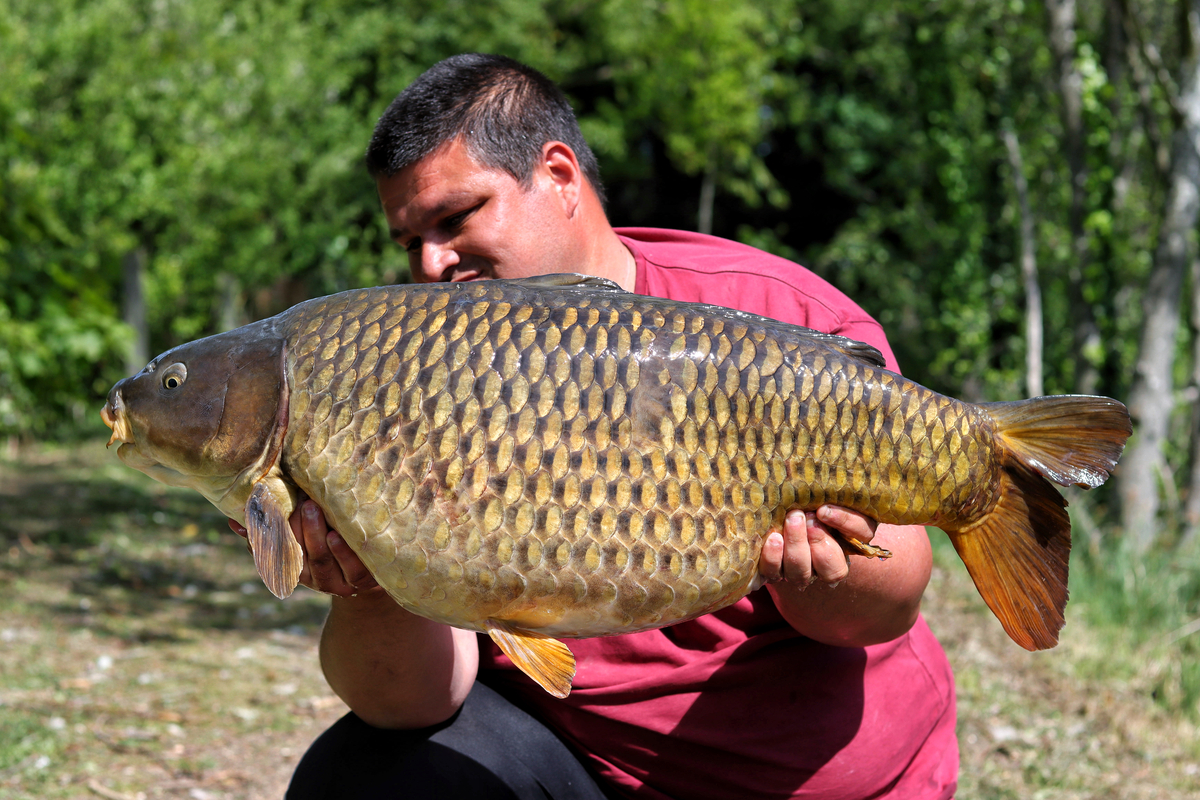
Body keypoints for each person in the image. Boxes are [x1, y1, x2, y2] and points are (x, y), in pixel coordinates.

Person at [234, 53, 958, 799]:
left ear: (557, 175)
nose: (431, 262)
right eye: (408, 241)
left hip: (814, 779)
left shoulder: (772, 320)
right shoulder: (416, 377)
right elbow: (413, 703)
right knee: (359, 778)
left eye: (456, 218)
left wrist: (819, 579)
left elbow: (891, 599)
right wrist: (369, 583)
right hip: (588, 771)